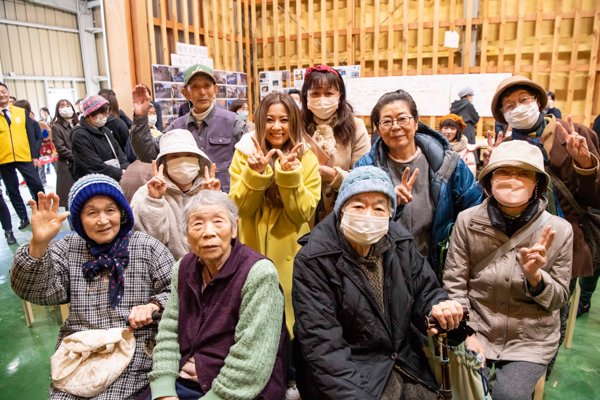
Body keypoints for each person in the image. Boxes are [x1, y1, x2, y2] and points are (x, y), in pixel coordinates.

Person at [293, 166, 468, 400]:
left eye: (378, 207)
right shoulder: (314, 259)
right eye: (358, 205)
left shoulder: (401, 244)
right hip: (351, 375)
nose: (367, 215)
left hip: (405, 363)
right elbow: (323, 346)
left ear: (390, 213)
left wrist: (441, 308)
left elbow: (426, 293)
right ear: (341, 210)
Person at [10, 175, 174, 399]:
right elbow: (36, 291)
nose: (103, 220)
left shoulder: (147, 246)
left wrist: (153, 305)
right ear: (78, 219)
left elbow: (176, 292)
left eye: (110, 210)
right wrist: (38, 244)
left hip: (135, 352)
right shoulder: (69, 249)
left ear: (122, 213)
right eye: (92, 212)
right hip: (81, 354)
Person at [443, 141, 573, 400]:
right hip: (477, 326)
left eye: (523, 173)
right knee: (465, 391)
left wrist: (536, 277)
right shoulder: (467, 221)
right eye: (503, 171)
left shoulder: (559, 229)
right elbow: (454, 282)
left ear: (537, 183)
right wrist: (465, 333)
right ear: (490, 179)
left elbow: (559, 298)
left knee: (509, 395)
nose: (512, 179)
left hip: (530, 339)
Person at [146, 190, 287, 400]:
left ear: (234, 229)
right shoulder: (183, 268)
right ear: (186, 234)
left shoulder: (258, 273)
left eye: (218, 222)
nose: (208, 232)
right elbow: (169, 331)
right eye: (197, 224)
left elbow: (252, 359)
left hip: (236, 390)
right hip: (182, 382)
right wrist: (164, 390)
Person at [229, 92, 320, 398]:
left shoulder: (306, 157)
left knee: (293, 324)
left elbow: (302, 213)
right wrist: (256, 174)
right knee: (256, 322)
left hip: (293, 256)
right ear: (259, 121)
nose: (277, 127)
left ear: (293, 121)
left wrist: (289, 174)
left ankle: (293, 382)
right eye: (269, 119)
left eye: (284, 119)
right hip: (251, 253)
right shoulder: (244, 154)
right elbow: (239, 208)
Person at [486, 75, 600, 281]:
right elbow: (495, 206)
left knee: (558, 309)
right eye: (509, 105)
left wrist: (585, 164)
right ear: (504, 115)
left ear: (538, 101)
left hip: (570, 244)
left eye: (524, 100)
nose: (518, 107)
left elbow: (596, 199)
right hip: (520, 246)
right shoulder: (506, 148)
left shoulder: (576, 135)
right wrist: (491, 172)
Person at [355, 89, 482, 272]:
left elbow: (474, 210)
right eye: (387, 121)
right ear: (378, 129)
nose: (395, 126)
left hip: (437, 268)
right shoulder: (366, 168)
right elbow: (354, 221)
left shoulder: (449, 164)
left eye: (402, 119)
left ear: (416, 122)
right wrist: (388, 205)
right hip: (383, 270)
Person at [131, 64, 246, 192]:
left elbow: (247, 165)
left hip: (225, 201)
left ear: (215, 90)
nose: (202, 92)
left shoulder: (233, 123)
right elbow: (148, 153)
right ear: (186, 93)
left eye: (207, 86)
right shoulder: (177, 127)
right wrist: (140, 117)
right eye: (195, 87)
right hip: (189, 204)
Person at [131, 129, 217, 261]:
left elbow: (223, 236)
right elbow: (148, 241)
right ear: (164, 164)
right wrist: (154, 201)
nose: (183, 162)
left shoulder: (210, 188)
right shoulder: (146, 193)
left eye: (189, 155)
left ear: (198, 161)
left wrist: (213, 200)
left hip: (207, 268)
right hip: (166, 273)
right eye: (175, 157)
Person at [301, 65, 371, 223]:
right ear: (306, 96)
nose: (322, 99)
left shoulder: (355, 126)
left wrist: (335, 176)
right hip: (301, 213)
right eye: (315, 93)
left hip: (340, 211)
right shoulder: (297, 124)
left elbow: (364, 175)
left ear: (340, 96)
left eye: (329, 93)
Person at [0, 83, 45, 230]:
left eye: (3, 91)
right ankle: (23, 217)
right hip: (3, 159)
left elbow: (30, 135)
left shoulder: (20, 112)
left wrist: (34, 155)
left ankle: (42, 213)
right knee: (12, 190)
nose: (1, 95)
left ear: (8, 92)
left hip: (24, 156)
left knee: (36, 184)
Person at [70, 95, 130, 182]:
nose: (105, 116)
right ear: (90, 114)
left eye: (106, 113)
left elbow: (119, 153)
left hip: (114, 178)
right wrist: (119, 172)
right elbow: (93, 165)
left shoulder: (105, 130)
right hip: (93, 182)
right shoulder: (79, 135)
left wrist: (124, 168)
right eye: (102, 113)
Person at [51, 99, 78, 209]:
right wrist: (79, 157)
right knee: (70, 197)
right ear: (58, 110)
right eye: (62, 106)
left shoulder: (78, 124)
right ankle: (73, 224)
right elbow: (61, 148)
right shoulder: (56, 127)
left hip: (82, 164)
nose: (65, 108)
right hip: (67, 165)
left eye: (68, 105)